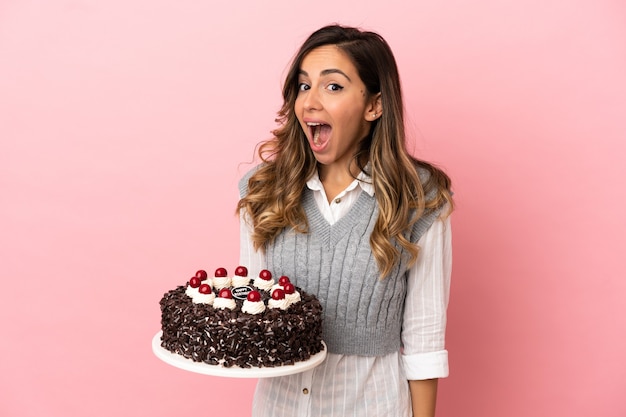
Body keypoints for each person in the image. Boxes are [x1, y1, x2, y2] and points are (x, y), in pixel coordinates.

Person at [237, 24, 453, 417]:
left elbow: (425, 343)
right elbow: (253, 313)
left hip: (372, 406)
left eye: (332, 87)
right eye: (304, 86)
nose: (310, 103)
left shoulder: (420, 200)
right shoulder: (262, 192)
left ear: (374, 105)